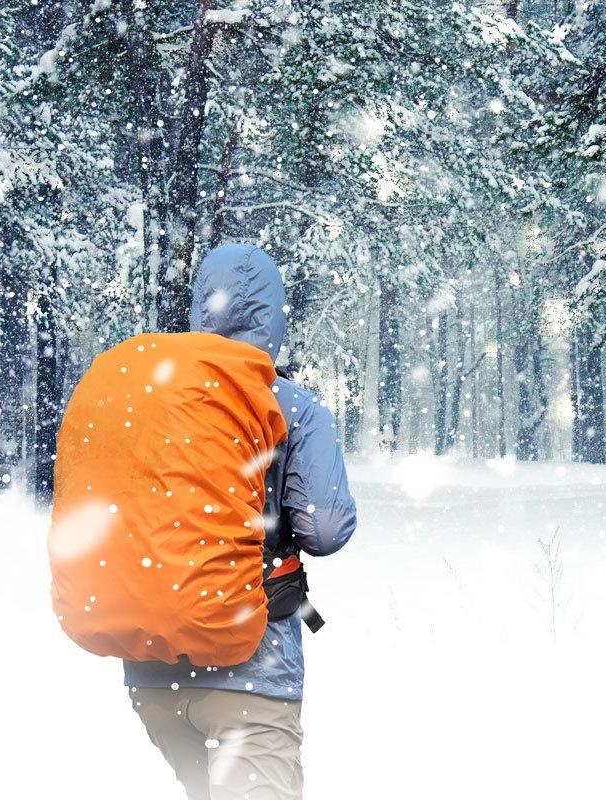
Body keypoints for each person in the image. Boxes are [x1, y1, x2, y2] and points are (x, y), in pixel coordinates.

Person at [123, 243, 358, 800]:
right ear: (274, 318)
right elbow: (326, 530)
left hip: (153, 671)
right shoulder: (291, 407)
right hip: (254, 668)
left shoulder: (156, 399)